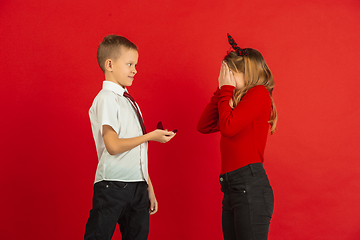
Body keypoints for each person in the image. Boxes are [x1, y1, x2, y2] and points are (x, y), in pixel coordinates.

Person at [84, 35, 176, 240]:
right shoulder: (107, 98)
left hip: (138, 186)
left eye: (135, 64)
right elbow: (113, 146)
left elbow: (137, 154)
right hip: (113, 185)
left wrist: (148, 186)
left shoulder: (128, 100)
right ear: (110, 64)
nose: (135, 70)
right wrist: (150, 136)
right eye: (129, 64)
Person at [197, 34, 277, 240]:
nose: (227, 78)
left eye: (230, 74)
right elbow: (204, 125)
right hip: (232, 188)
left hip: (250, 186)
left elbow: (228, 128)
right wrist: (220, 91)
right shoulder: (235, 103)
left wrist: (226, 90)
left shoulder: (259, 93)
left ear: (246, 73)